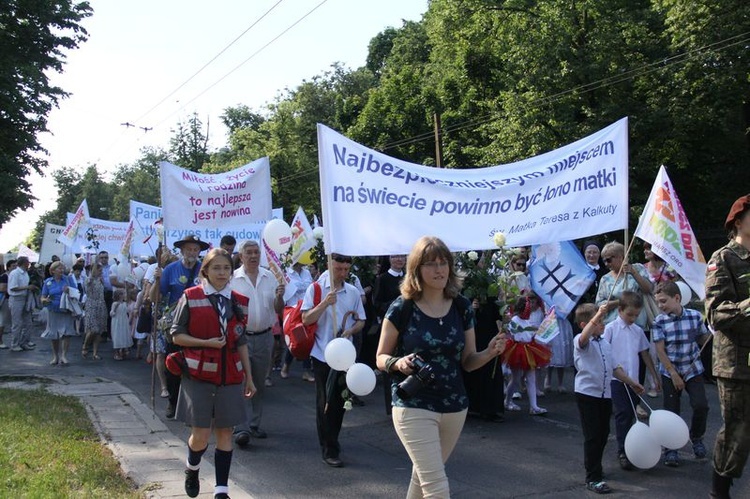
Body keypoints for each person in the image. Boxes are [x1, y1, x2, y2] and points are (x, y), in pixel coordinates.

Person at [375, 236, 507, 496]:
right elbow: (380, 357)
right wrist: (398, 362)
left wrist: (490, 353)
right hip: (413, 405)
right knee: (436, 485)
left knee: (422, 478)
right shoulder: (402, 308)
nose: (439, 269)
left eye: (443, 262)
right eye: (431, 264)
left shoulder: (462, 306)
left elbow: (468, 362)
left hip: (455, 406)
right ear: (416, 269)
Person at [167, 248, 256, 499]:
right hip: (199, 375)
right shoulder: (191, 296)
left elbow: (241, 342)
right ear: (205, 270)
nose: (222, 273)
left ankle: (221, 490)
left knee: (226, 431)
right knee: (201, 435)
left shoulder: (238, 300)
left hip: (230, 375)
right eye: (216, 268)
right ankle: (192, 468)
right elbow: (176, 335)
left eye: (226, 268)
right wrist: (206, 342)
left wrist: (249, 377)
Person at [705, 194, 750, 499]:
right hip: (737, 363)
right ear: (738, 222)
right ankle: (719, 490)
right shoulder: (723, 258)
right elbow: (715, 313)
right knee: (738, 432)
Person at [573, 303, 644, 494]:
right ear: (584, 324)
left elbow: (615, 368)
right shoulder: (580, 341)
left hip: (604, 394)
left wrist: (631, 382)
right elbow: (584, 337)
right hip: (587, 394)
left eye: (602, 320)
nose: (602, 324)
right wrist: (598, 315)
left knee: (603, 434)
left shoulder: (604, 342)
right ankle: (593, 477)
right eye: (598, 322)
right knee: (593, 436)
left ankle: (596, 466)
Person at [302, 253, 365, 468]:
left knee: (339, 401)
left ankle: (333, 439)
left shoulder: (353, 291)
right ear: (330, 266)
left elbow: (361, 320)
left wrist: (349, 331)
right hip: (322, 354)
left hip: (344, 354)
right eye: (339, 269)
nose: (343, 273)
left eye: (346, 270)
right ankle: (328, 448)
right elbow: (306, 318)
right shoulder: (316, 289)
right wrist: (324, 304)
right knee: (324, 401)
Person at [229, 240, 285, 445]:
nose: (253, 256)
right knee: (241, 380)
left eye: (256, 252)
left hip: (264, 336)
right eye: (249, 253)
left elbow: (278, 309)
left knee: (259, 382)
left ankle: (254, 424)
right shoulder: (232, 279)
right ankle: (240, 427)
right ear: (241, 256)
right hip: (240, 338)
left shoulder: (270, 277)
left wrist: (280, 296)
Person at [652, 281, 710, 467]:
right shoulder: (659, 322)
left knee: (701, 405)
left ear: (677, 298)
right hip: (671, 372)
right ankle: (671, 448)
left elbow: (702, 338)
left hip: (692, 369)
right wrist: (673, 373)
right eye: (658, 302)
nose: (660, 306)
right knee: (672, 412)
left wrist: (712, 334)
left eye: (663, 301)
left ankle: (697, 437)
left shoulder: (694, 317)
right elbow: (660, 351)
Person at [602, 291, 660, 471]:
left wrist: (654, 377)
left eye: (636, 315)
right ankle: (623, 451)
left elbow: (644, 353)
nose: (633, 318)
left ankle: (633, 448)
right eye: (630, 314)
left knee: (633, 414)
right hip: (616, 380)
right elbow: (604, 353)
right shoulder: (610, 328)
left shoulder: (637, 331)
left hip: (634, 380)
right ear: (620, 310)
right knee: (623, 414)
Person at [154, 234, 210, 419]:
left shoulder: (205, 269)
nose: (192, 252)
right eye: (189, 249)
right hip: (177, 324)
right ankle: (172, 401)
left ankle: (197, 404)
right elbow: (156, 297)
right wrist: (156, 280)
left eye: (195, 249)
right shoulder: (171, 269)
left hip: (199, 323)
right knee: (173, 363)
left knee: (198, 363)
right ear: (182, 250)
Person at [503, 294, 551, 415]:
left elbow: (529, 334)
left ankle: (534, 406)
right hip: (518, 350)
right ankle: (507, 401)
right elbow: (516, 335)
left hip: (528, 349)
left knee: (531, 378)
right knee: (515, 378)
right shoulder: (514, 320)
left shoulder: (527, 320)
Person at [280, 261, 315, 382]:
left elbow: (310, 287)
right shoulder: (286, 272)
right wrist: (302, 287)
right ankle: (286, 366)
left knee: (306, 339)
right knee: (297, 338)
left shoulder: (306, 272)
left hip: (306, 309)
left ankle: (304, 370)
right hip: (293, 311)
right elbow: (291, 290)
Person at [40, 261, 78, 365]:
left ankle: (64, 356)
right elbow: (43, 296)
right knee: (54, 334)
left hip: (66, 309)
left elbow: (76, 292)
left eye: (62, 268)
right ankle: (55, 356)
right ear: (53, 271)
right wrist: (44, 300)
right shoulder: (48, 282)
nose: (62, 270)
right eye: (59, 268)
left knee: (66, 333)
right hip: (53, 309)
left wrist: (69, 290)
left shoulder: (68, 279)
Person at [7, 256, 38, 352]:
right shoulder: (15, 273)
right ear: (25, 263)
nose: (29, 264)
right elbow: (13, 287)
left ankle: (24, 342)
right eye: (28, 262)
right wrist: (27, 287)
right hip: (16, 299)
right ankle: (14, 344)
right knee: (17, 323)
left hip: (25, 298)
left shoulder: (25, 273)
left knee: (28, 322)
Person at [82, 262, 108, 360]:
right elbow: (88, 283)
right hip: (91, 305)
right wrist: (94, 268)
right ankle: (85, 345)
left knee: (99, 331)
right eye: (99, 270)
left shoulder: (100, 280)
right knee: (93, 329)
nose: (101, 272)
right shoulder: (89, 280)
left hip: (101, 305)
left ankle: (95, 352)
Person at [0, 259, 18, 349]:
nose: (15, 267)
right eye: (13, 266)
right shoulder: (5, 276)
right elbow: (2, 288)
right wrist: (12, 289)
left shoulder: (13, 275)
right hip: (4, 300)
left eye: (16, 266)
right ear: (9, 267)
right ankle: (0, 341)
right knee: (2, 321)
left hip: (9, 299)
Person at [110, 288, 131, 361]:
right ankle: (116, 352)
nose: (123, 295)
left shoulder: (125, 303)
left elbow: (127, 311)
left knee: (123, 334)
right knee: (117, 335)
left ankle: (122, 350)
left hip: (124, 321)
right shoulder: (115, 304)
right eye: (121, 294)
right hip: (117, 321)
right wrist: (115, 309)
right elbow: (111, 313)